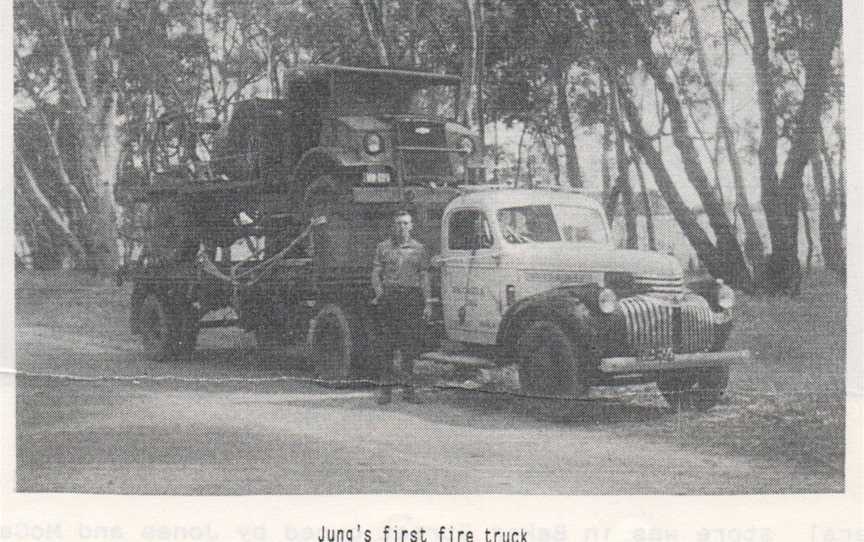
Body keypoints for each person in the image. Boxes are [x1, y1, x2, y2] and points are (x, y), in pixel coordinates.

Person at [370, 210, 433, 404]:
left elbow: (424, 276)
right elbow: (376, 272)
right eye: (398, 223)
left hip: (411, 298)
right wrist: (380, 294)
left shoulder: (419, 249)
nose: (402, 227)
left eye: (406, 223)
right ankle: (386, 391)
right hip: (390, 297)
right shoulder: (383, 247)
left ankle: (408, 390)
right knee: (387, 345)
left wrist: (428, 302)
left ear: (411, 226)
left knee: (409, 345)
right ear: (393, 226)